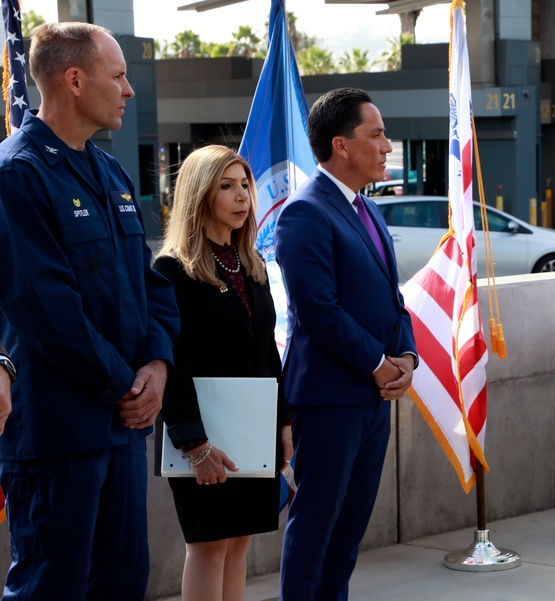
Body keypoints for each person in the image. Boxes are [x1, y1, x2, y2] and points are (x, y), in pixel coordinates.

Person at [0, 22, 181, 599]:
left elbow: (149, 283)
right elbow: (45, 309)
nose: (129, 90)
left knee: (123, 581)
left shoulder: (111, 173)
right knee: (53, 586)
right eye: (120, 75)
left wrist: (157, 366)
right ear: (74, 80)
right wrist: (125, 383)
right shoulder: (17, 174)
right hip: (60, 434)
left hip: (124, 429)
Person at [275, 87, 417, 601]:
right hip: (331, 399)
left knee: (349, 535)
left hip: (373, 400)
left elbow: (391, 297)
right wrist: (378, 363)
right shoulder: (305, 212)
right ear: (341, 145)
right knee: (315, 529)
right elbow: (317, 308)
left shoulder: (369, 210)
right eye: (375, 134)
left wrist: (407, 357)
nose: (387, 145)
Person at [154, 145, 294, 600]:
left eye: (246, 186)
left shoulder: (251, 265)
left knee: (239, 545)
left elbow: (267, 353)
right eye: (227, 186)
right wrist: (194, 443)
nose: (242, 197)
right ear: (199, 195)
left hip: (253, 429)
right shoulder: (173, 270)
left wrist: (283, 422)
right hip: (203, 436)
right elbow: (172, 362)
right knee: (209, 546)